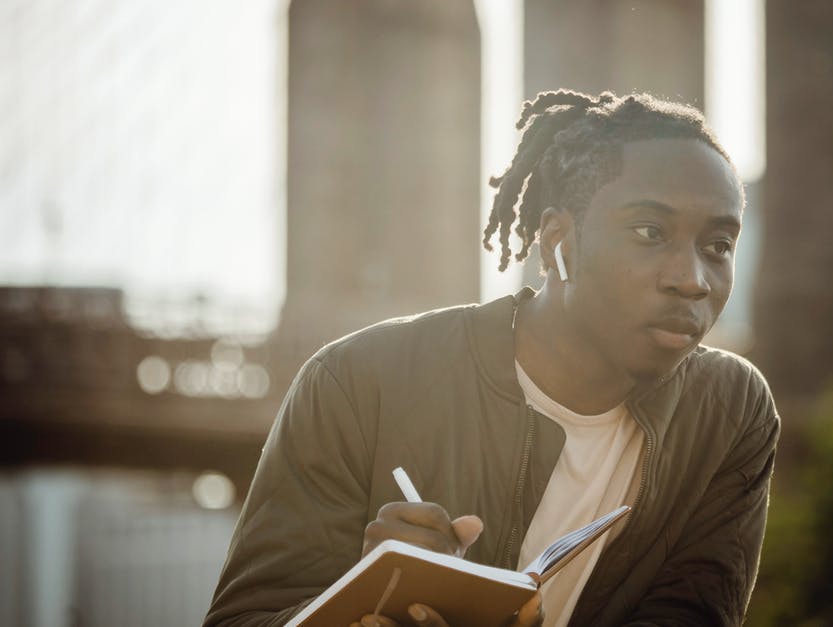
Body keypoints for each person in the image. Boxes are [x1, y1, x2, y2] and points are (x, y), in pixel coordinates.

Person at [204, 90, 780, 627]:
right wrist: (364, 598)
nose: (692, 279)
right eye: (650, 232)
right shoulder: (358, 383)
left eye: (718, 247)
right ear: (558, 243)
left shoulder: (729, 413)